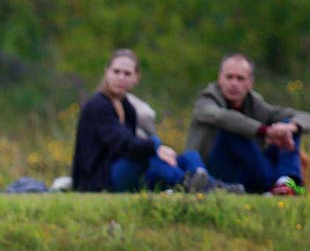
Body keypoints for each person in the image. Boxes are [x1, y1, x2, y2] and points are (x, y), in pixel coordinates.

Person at [70, 49, 215, 193]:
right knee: (150, 150)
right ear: (106, 72)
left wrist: (155, 148)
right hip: (98, 180)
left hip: (125, 173)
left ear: (136, 78)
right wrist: (154, 147)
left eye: (127, 73)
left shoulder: (127, 108)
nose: (121, 77)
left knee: (190, 156)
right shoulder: (98, 106)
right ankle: (185, 182)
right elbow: (123, 143)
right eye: (116, 71)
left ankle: (211, 185)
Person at [186, 54, 310, 195]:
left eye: (240, 78)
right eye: (229, 77)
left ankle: (285, 182)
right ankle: (274, 184)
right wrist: (265, 131)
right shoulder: (206, 101)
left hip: (250, 170)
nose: (234, 83)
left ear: (250, 82)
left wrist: (290, 128)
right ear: (220, 78)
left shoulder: (255, 104)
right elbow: (223, 117)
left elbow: (305, 117)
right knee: (233, 129)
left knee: (288, 127)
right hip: (214, 171)